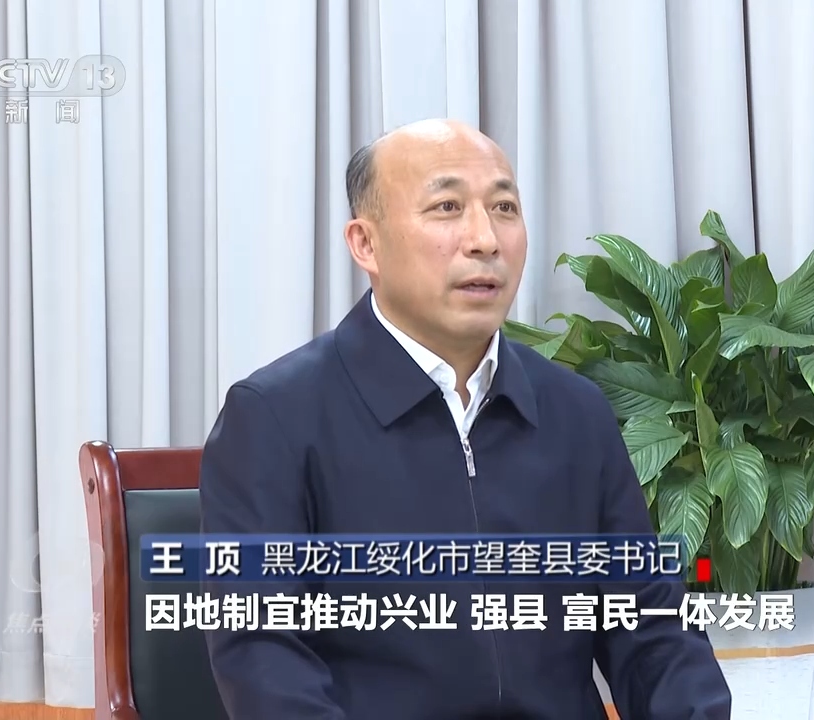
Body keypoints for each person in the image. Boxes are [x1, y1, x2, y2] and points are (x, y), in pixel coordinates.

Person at [198, 118, 731, 719]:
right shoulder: (275, 417)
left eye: (504, 207)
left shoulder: (574, 411)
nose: (485, 239)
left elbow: (655, 631)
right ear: (366, 244)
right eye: (447, 207)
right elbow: (264, 661)